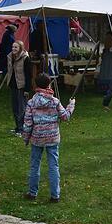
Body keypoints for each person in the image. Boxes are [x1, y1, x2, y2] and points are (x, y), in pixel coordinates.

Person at [22, 73, 75, 202]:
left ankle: (32, 193)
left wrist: (26, 138)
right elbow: (65, 116)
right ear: (49, 85)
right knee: (53, 166)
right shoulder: (54, 101)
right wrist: (71, 105)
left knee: (35, 165)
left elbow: (28, 122)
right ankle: (55, 195)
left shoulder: (31, 102)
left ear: (36, 85)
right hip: (52, 137)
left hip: (37, 138)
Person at [7, 40, 32, 136]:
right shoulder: (10, 57)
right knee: (15, 108)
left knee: (21, 108)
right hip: (13, 84)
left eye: (16, 47)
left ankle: (22, 129)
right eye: (13, 47)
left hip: (21, 86)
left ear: (20, 48)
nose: (13, 49)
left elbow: (28, 75)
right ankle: (18, 127)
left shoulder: (25, 58)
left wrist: (27, 89)